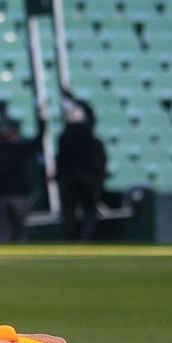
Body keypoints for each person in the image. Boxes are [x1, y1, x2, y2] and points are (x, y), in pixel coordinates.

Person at [0, 119, 45, 243]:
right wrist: (42, 124)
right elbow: (37, 141)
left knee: (2, 232)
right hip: (18, 197)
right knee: (23, 230)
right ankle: (23, 255)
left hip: (1, 197)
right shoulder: (17, 151)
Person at [57, 99, 106, 242]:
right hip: (87, 179)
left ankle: (70, 238)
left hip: (71, 179)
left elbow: (61, 160)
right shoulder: (89, 136)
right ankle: (85, 238)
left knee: (69, 212)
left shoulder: (65, 137)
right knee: (89, 211)